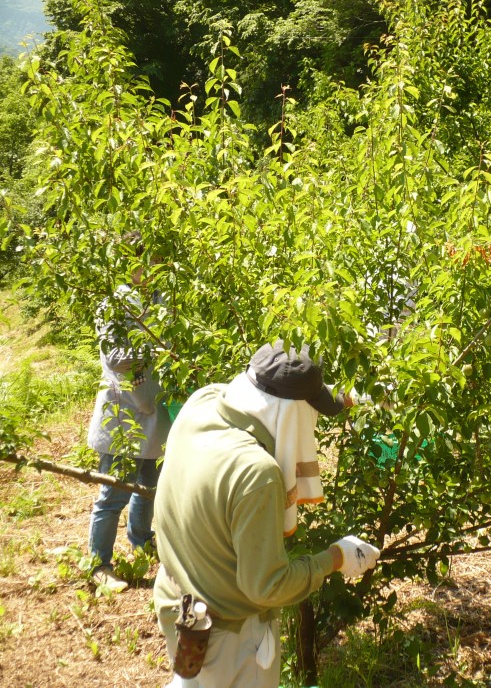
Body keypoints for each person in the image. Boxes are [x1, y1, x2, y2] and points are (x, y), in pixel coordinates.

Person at [153, 340, 381, 687]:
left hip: (178, 603)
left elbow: (284, 395)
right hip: (231, 639)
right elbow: (267, 587)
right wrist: (336, 557)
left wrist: (357, 394)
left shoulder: (204, 403)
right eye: (311, 412)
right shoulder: (255, 474)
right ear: (292, 412)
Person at [87, 233, 170, 593]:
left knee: (148, 486)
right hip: (122, 414)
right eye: (144, 262)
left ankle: (141, 542)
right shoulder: (115, 304)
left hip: (151, 408)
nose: (150, 270)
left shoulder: (162, 301)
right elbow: (116, 359)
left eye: (154, 262)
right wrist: (156, 347)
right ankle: (99, 563)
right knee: (112, 493)